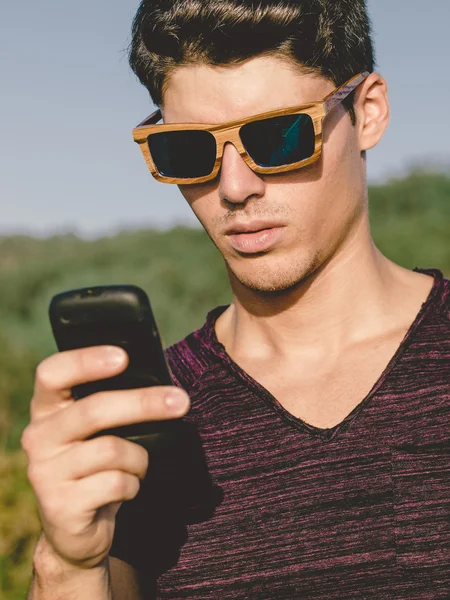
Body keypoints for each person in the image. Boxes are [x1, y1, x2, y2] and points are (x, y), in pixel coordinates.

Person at [23, 0, 450, 598]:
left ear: (368, 112)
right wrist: (66, 563)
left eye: (278, 137)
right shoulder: (147, 418)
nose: (234, 188)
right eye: (189, 151)